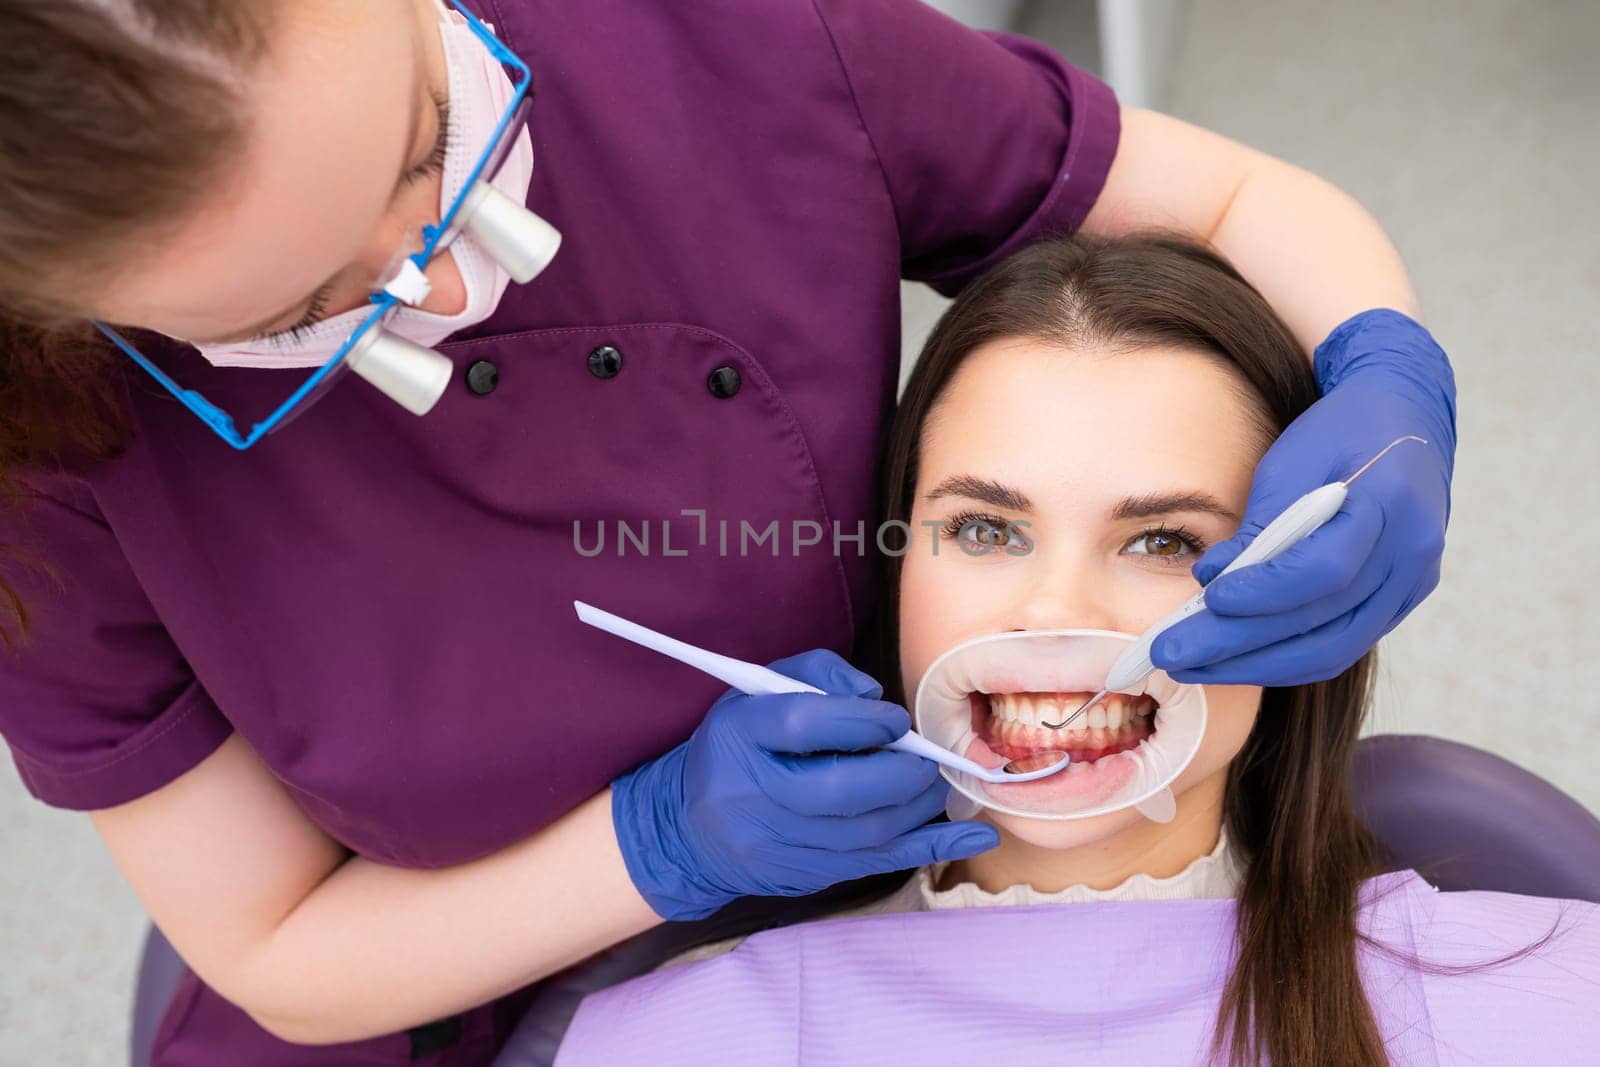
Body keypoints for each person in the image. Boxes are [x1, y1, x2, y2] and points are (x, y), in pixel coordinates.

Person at [0, 1, 1456, 1062]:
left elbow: (1233, 199)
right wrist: (658, 846)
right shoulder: (50, 478)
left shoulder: (737, 43)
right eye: (297, 306)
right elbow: (277, 953)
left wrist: (1388, 369)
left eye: (423, 152)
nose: (444, 286)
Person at [554, 235, 1595, 1066]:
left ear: (1311, 587)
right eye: (984, 528)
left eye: (1162, 540)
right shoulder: (678, 1034)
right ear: (895, 568)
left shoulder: (1551, 1001)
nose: (1053, 607)